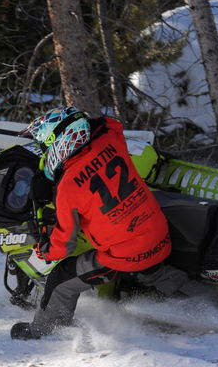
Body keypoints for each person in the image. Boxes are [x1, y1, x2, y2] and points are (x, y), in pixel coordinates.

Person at [11, 106, 197, 340]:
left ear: (59, 143)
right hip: (158, 233)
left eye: (45, 146)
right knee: (150, 268)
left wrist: (45, 249)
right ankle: (196, 307)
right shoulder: (111, 139)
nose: (44, 152)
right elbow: (110, 123)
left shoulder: (67, 187)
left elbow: (64, 245)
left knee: (62, 277)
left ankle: (45, 330)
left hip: (124, 254)